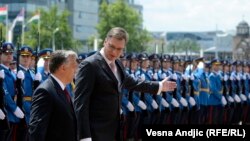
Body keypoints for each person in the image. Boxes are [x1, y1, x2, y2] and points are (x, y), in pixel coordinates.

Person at [74, 27, 176, 141]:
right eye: (111, 46)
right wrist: (84, 137)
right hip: (95, 132)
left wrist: (159, 86)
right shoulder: (90, 65)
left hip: (114, 130)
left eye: (119, 49)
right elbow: (80, 103)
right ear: (105, 41)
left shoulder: (117, 63)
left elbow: (132, 82)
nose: (114, 52)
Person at [29, 50, 78, 141]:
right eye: (73, 66)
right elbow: (37, 129)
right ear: (63, 67)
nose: (76, 70)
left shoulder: (62, 89)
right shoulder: (45, 91)